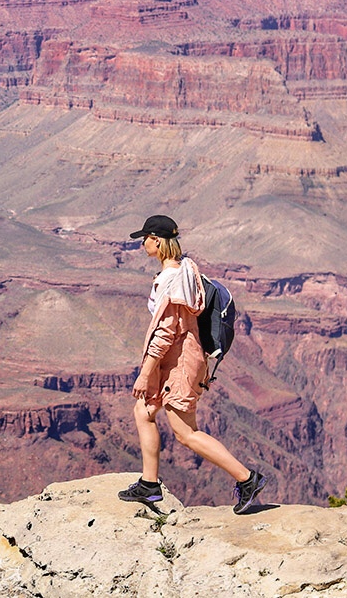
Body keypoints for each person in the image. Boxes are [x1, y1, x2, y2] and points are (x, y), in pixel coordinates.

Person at [119, 214, 267, 514]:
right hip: (178, 359)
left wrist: (144, 374)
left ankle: (248, 479)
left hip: (181, 362)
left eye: (145, 239)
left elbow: (164, 333)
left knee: (186, 433)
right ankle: (149, 485)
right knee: (143, 411)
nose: (142, 244)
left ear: (157, 241)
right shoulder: (185, 268)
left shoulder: (172, 280)